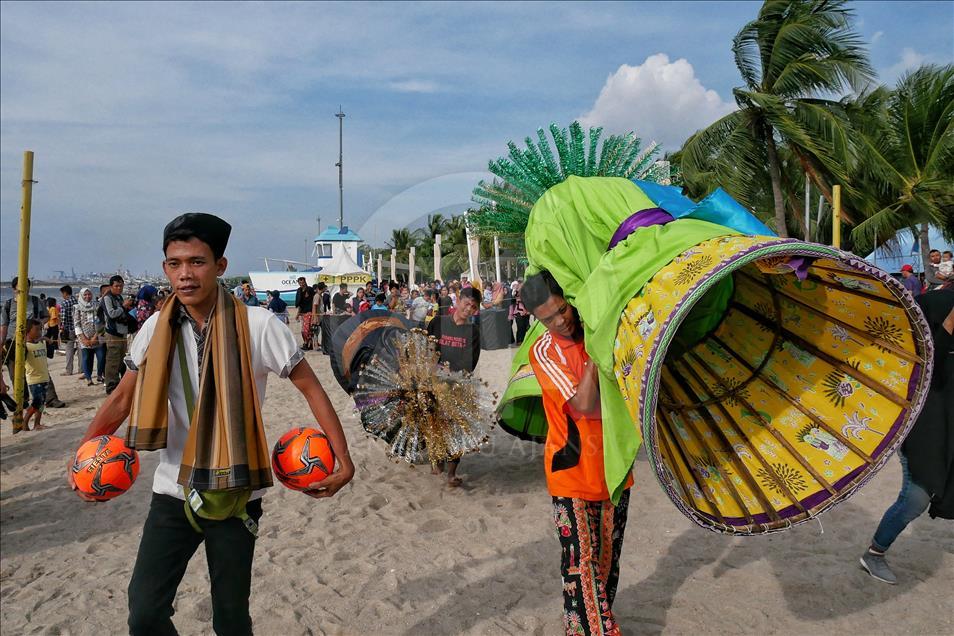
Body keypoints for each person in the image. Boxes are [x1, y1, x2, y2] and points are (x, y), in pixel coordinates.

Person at [67, 212, 354, 635]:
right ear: (166, 267)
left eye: (197, 262)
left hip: (236, 491)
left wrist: (344, 460)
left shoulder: (258, 326)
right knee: (144, 613)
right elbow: (122, 398)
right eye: (175, 263)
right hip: (172, 488)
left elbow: (311, 388)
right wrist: (85, 462)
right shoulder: (153, 328)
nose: (185, 275)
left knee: (231, 618)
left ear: (219, 266)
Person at [522, 270, 633, 636]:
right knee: (580, 565)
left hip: (613, 467)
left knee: (606, 566)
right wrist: (597, 352)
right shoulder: (544, 351)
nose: (560, 321)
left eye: (561, 309)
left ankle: (580, 630)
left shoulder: (597, 324)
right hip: (571, 471)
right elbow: (584, 404)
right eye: (548, 318)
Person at [860, 289, 953, 584]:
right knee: (916, 497)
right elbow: (927, 367)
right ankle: (874, 553)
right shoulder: (934, 306)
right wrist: (949, 325)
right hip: (926, 427)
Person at [426, 287, 481, 487]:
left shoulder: (472, 332)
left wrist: (452, 374)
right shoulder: (438, 322)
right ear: (458, 301)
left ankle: (452, 473)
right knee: (433, 425)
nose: (469, 309)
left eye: (474, 307)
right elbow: (427, 347)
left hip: (457, 387)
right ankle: (436, 461)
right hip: (433, 383)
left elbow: (470, 363)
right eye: (467, 303)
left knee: (456, 429)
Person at [0, 276, 66, 412]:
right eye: (20, 286)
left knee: (41, 370)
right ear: (14, 289)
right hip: (13, 342)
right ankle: (23, 400)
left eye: (26, 285)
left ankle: (51, 399)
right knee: (15, 373)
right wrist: (1, 342)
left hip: (33, 341)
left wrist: (38, 326)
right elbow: (4, 325)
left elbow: (46, 316)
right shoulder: (8, 305)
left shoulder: (36, 301)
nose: (24, 288)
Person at [101, 275, 134, 395]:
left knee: (121, 360)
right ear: (111, 286)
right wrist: (123, 307)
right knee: (112, 361)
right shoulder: (107, 298)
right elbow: (112, 314)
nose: (119, 288)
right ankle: (111, 386)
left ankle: (118, 384)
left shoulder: (119, 297)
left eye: (121, 286)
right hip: (113, 334)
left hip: (122, 333)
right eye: (117, 286)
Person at [21, 319, 51, 432]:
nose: (39, 332)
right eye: (36, 330)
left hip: (45, 378)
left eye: (40, 329)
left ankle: (37, 424)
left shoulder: (41, 343)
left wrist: (44, 338)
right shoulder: (25, 346)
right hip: (34, 379)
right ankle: (25, 422)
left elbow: (40, 339)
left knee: (41, 403)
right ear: (28, 331)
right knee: (36, 402)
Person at [75, 287, 106, 386]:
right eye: (85, 295)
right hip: (84, 338)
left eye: (89, 294)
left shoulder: (96, 306)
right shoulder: (77, 308)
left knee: (101, 357)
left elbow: (101, 321)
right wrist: (84, 338)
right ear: (81, 296)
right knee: (86, 358)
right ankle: (88, 378)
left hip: (97, 337)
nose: (87, 296)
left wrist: (96, 336)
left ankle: (99, 375)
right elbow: (77, 324)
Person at [59, 285, 79, 376]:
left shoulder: (65, 303)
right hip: (78, 328)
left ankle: (69, 370)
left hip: (69, 329)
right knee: (80, 349)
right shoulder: (77, 301)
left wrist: (62, 328)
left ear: (65, 293)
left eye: (62, 293)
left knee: (69, 350)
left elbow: (63, 318)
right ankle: (81, 368)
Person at [294, 277, 315, 350]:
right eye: (300, 283)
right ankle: (306, 343)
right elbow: (300, 304)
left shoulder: (310, 289)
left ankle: (308, 344)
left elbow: (313, 302)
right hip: (302, 313)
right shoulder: (299, 291)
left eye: (302, 282)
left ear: (305, 282)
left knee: (307, 330)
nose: (301, 284)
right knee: (303, 330)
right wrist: (298, 314)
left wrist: (314, 313)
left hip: (309, 312)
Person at [511, 280, 530, 345]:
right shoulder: (515, 291)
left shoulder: (527, 291)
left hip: (527, 311)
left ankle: (523, 340)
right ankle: (519, 340)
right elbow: (514, 295)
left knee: (525, 326)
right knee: (520, 326)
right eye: (520, 285)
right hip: (518, 311)